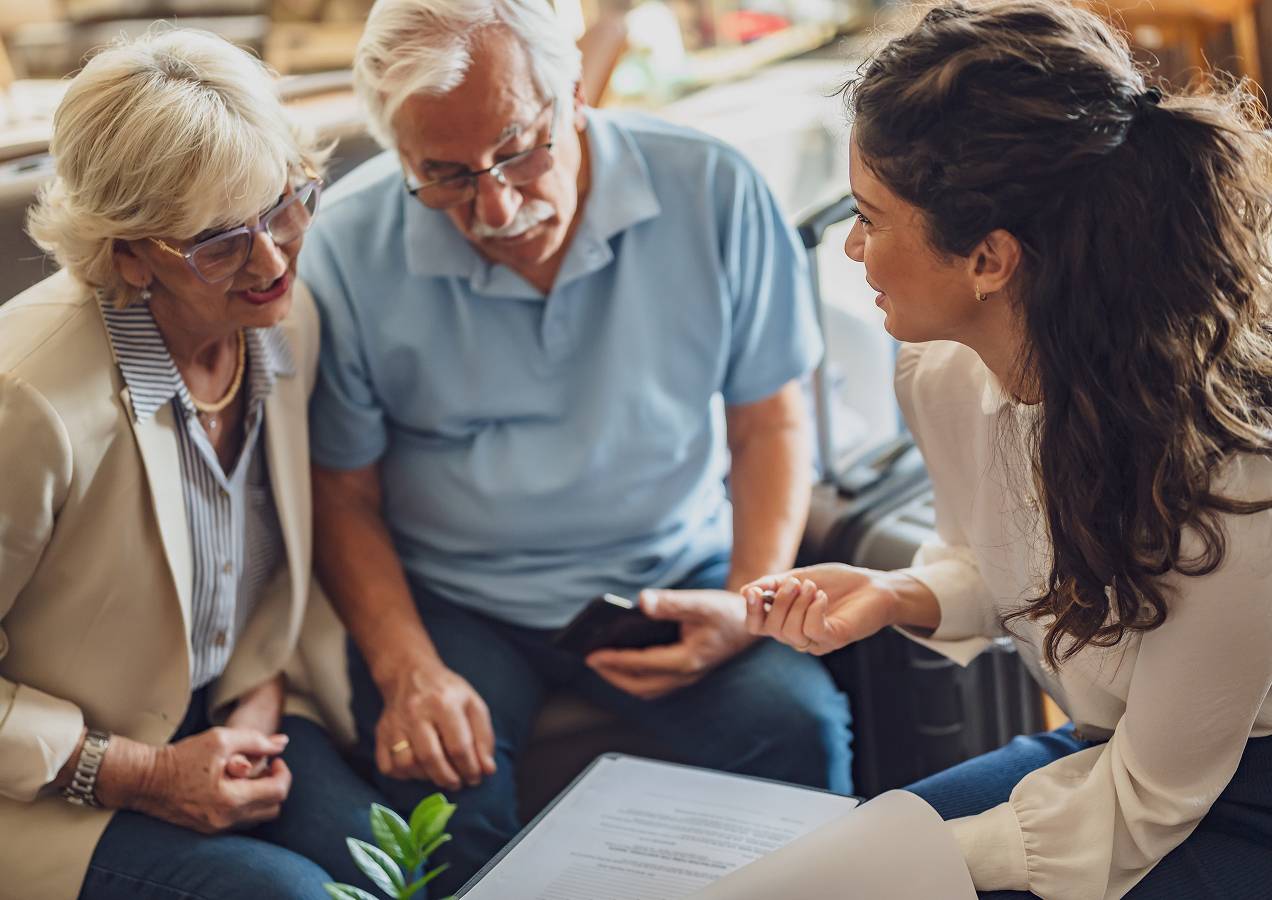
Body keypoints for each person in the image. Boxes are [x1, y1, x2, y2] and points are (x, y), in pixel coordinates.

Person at [300, 0, 853, 889]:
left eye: (519, 149)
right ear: (400, 155)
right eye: (443, 175)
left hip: (671, 569)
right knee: (439, 809)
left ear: (574, 95)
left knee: (796, 730)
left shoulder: (713, 187)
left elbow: (769, 422)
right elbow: (343, 494)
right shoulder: (344, 248)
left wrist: (750, 605)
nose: (495, 205)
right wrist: (408, 669)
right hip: (456, 599)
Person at [744, 2, 1272, 898]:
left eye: (871, 217)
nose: (851, 248)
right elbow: (998, 557)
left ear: (990, 259)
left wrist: (918, 862)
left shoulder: (1235, 476)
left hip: (1233, 789)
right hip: (1113, 752)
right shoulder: (937, 375)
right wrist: (898, 593)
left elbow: (1151, 799)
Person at [0, 29, 386, 900]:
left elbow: (257, 566)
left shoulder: (286, 320)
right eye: (220, 241)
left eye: (287, 204)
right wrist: (137, 774)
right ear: (127, 251)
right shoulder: (24, 399)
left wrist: (258, 694)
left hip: (228, 712)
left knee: (407, 862)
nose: (275, 260)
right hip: (50, 789)